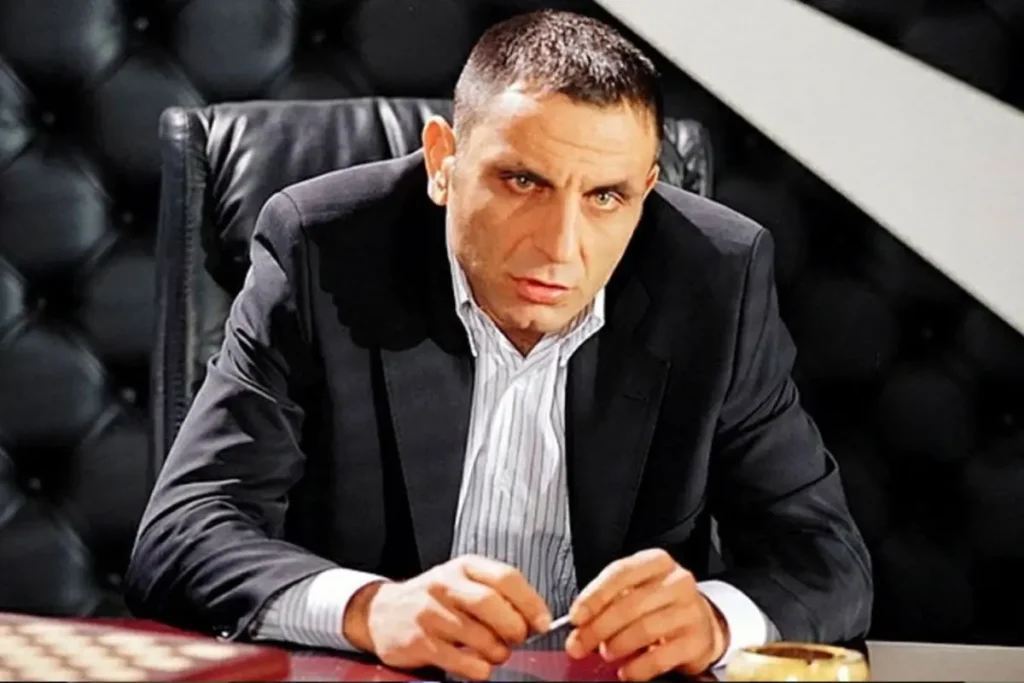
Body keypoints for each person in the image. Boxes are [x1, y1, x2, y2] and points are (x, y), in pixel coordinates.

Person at [125, 9, 871, 682]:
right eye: (522, 181)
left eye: (606, 197)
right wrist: (371, 609)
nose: (560, 246)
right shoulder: (322, 251)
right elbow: (183, 534)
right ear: (443, 161)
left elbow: (826, 559)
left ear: (646, 190)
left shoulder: (716, 278)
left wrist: (713, 619)